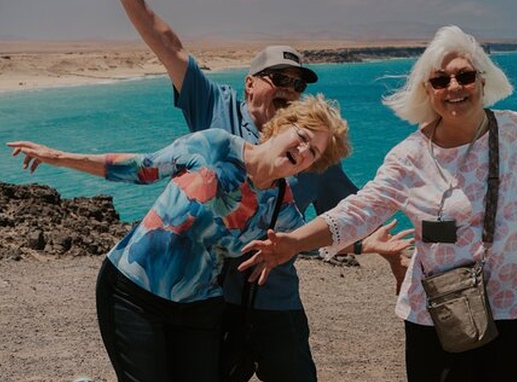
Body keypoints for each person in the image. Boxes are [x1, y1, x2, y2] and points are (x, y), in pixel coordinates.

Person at [94, 0, 409, 382]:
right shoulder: (213, 107)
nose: (289, 88)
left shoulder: (312, 153)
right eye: (278, 78)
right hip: (207, 300)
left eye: (297, 84)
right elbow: (169, 45)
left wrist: (385, 249)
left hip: (275, 302)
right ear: (249, 84)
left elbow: (352, 213)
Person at [239, 26, 517, 382]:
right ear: (427, 91)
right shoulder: (409, 156)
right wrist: (294, 242)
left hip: (513, 307)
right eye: (440, 81)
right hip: (439, 315)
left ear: (483, 81)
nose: (454, 87)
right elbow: (359, 210)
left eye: (465, 76)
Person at [7, 95, 353, 382]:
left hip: (199, 309)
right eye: (304, 136)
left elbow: (312, 240)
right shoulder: (215, 145)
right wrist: (60, 157)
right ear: (280, 126)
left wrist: (373, 244)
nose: (304, 150)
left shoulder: (282, 210)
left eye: (314, 153)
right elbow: (142, 167)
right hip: (132, 292)